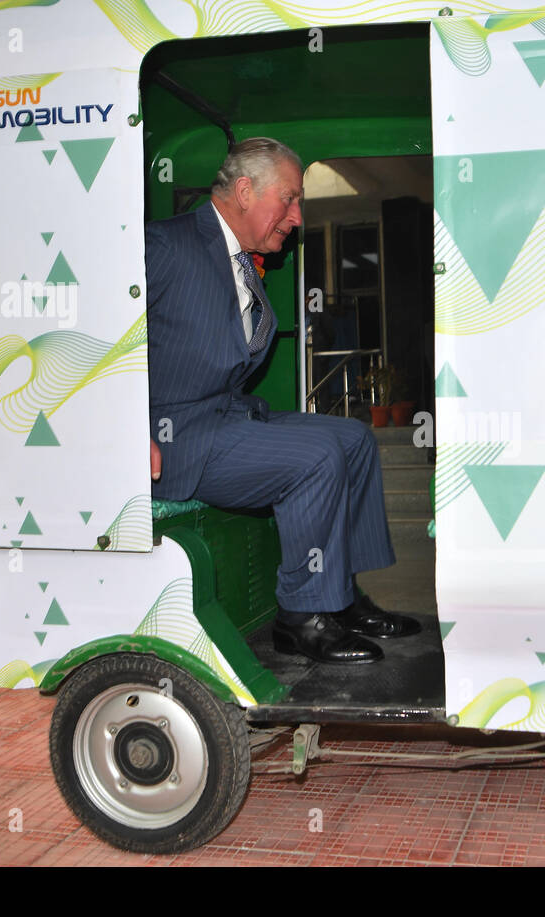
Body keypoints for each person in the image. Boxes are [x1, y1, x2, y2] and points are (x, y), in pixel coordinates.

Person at [146, 137, 419, 666]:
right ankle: (303, 616)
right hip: (179, 437)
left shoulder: (241, 260)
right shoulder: (167, 245)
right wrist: (125, 427)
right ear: (245, 191)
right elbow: (101, 338)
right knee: (313, 459)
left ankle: (340, 597)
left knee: (354, 437)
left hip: (226, 418)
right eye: (289, 199)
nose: (296, 216)